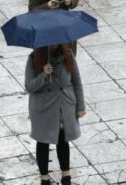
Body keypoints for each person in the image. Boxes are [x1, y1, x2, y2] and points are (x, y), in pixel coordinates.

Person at [25, 44, 85, 185]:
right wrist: (44, 75)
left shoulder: (68, 55)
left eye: (56, 41)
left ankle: (66, 175)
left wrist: (80, 106)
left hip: (64, 105)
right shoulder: (34, 57)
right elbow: (29, 86)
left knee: (63, 139)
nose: (53, 44)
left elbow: (76, 81)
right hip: (43, 107)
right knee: (43, 142)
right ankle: (44, 178)